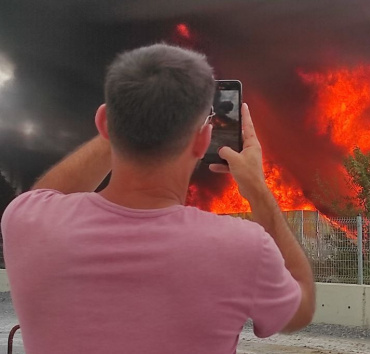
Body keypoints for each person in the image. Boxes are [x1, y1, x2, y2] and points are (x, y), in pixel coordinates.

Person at [0, 44, 315, 353]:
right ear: (202, 139)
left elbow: (47, 193)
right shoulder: (243, 247)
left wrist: (127, 122)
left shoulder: (27, 221)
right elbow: (300, 308)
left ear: (103, 123)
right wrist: (257, 190)